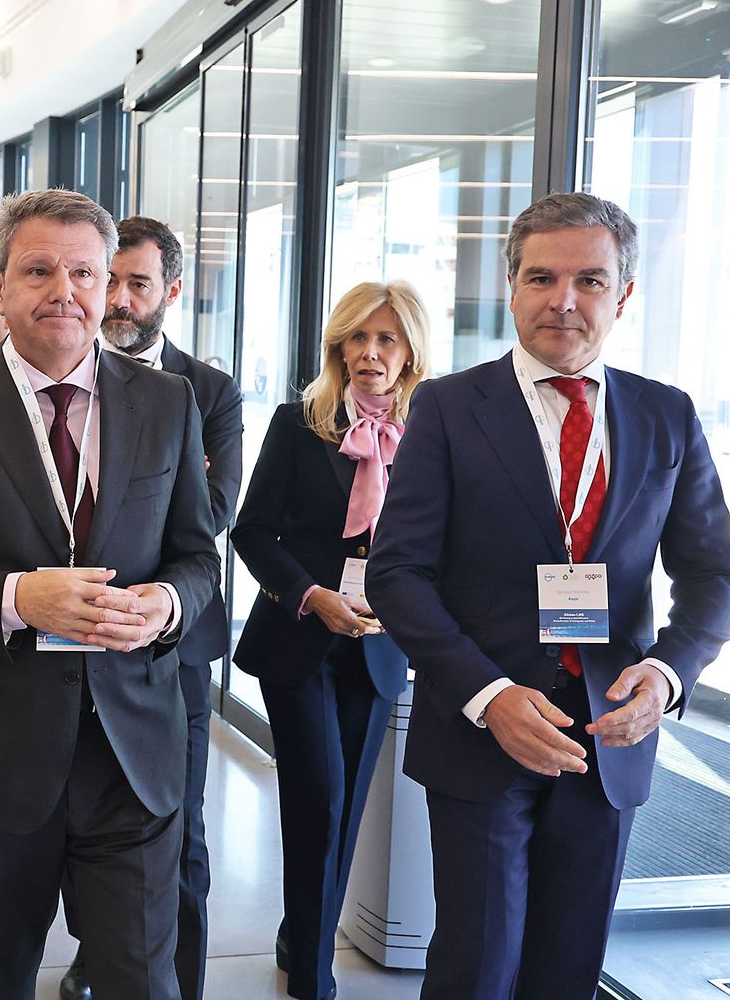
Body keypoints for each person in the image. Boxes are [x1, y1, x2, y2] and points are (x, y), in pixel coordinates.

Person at [367, 192, 730, 999]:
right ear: (511, 286)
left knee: (568, 969)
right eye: (541, 277)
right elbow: (397, 572)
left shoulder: (666, 415)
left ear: (624, 294)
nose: (563, 300)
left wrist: (666, 675)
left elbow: (714, 574)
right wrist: (490, 694)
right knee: (477, 968)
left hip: (610, 735)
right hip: (482, 731)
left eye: (589, 281)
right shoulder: (448, 407)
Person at [0, 188, 221, 999]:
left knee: (144, 984)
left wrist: (167, 605)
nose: (65, 291)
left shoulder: (167, 401)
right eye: (38, 270)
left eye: (84, 273)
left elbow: (199, 557)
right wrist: (17, 598)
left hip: (132, 756)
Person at [230, 281, 430, 1000]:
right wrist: (312, 596)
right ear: (338, 348)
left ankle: (301, 933)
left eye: (386, 340)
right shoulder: (299, 423)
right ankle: (314, 975)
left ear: (409, 353)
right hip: (300, 639)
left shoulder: (429, 434)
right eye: (357, 338)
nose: (370, 352)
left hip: (379, 646)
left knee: (344, 810)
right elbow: (252, 531)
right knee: (319, 797)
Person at [61, 215, 243, 1000]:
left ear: (171, 290)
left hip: (168, 650)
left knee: (180, 838)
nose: (120, 300)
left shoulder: (205, 390)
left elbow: (213, 509)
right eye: (112, 280)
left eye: (139, 283)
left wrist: (158, 595)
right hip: (55, 648)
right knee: (75, 826)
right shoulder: (55, 377)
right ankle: (95, 951)